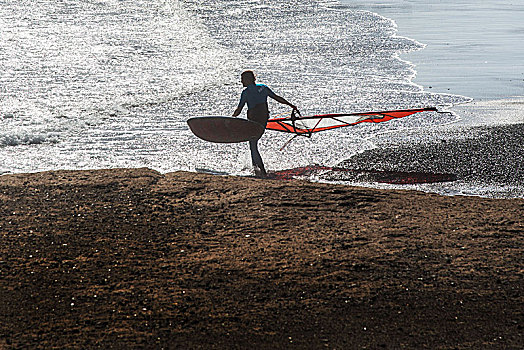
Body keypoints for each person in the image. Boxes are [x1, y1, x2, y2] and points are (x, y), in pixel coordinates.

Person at [232, 70, 298, 178]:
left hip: (253, 122)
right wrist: (291, 105)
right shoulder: (263, 88)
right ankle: (258, 170)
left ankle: (260, 171)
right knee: (253, 145)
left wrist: (229, 120)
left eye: (242, 79)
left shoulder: (246, 92)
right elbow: (277, 97)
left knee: (253, 146)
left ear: (248, 79)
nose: (241, 81)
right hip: (262, 122)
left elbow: (239, 109)